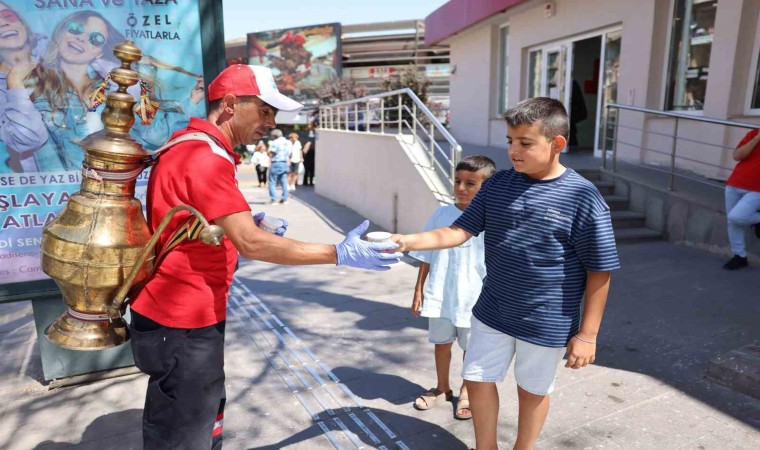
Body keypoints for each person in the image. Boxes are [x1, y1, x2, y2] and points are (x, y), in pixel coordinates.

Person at [128, 63, 402, 450]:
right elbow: (252, 244)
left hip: (176, 312)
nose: (271, 123)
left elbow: (189, 216)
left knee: (179, 417)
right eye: (264, 111)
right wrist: (338, 252)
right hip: (184, 317)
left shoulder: (190, 145)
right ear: (229, 104)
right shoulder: (205, 158)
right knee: (188, 429)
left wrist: (245, 219)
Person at [390, 97, 620, 450]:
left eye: (525, 143)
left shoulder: (583, 197)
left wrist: (588, 335)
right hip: (491, 310)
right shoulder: (497, 186)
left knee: (532, 390)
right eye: (510, 141)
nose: (514, 150)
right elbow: (458, 231)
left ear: (557, 143)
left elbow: (599, 269)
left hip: (546, 320)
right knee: (478, 378)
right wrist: (407, 240)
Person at [409, 155, 495, 421]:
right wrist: (418, 291)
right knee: (441, 343)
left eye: (470, 183)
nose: (461, 188)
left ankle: (466, 391)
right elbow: (425, 254)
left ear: (486, 188)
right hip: (441, 294)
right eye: (458, 181)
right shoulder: (442, 214)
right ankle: (442, 387)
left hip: (475, 299)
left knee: (472, 348)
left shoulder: (491, 219)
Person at [0, 2, 48, 173]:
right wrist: (14, 80)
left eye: (8, 16)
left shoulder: (63, 56)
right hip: (44, 193)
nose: (3, 23)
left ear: (24, 25)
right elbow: (27, 140)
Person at [722, 128, 760, 270]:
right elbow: (737, 156)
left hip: (757, 189)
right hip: (735, 183)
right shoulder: (754, 133)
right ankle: (739, 256)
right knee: (732, 222)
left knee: (735, 217)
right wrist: (757, 138)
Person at [267, 128, 290, 204]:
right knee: (284, 181)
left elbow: (272, 153)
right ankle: (285, 198)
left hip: (276, 162)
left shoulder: (275, 142)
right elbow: (290, 153)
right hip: (284, 163)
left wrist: (268, 153)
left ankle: (274, 199)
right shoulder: (287, 142)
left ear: (274, 136)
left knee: (272, 182)